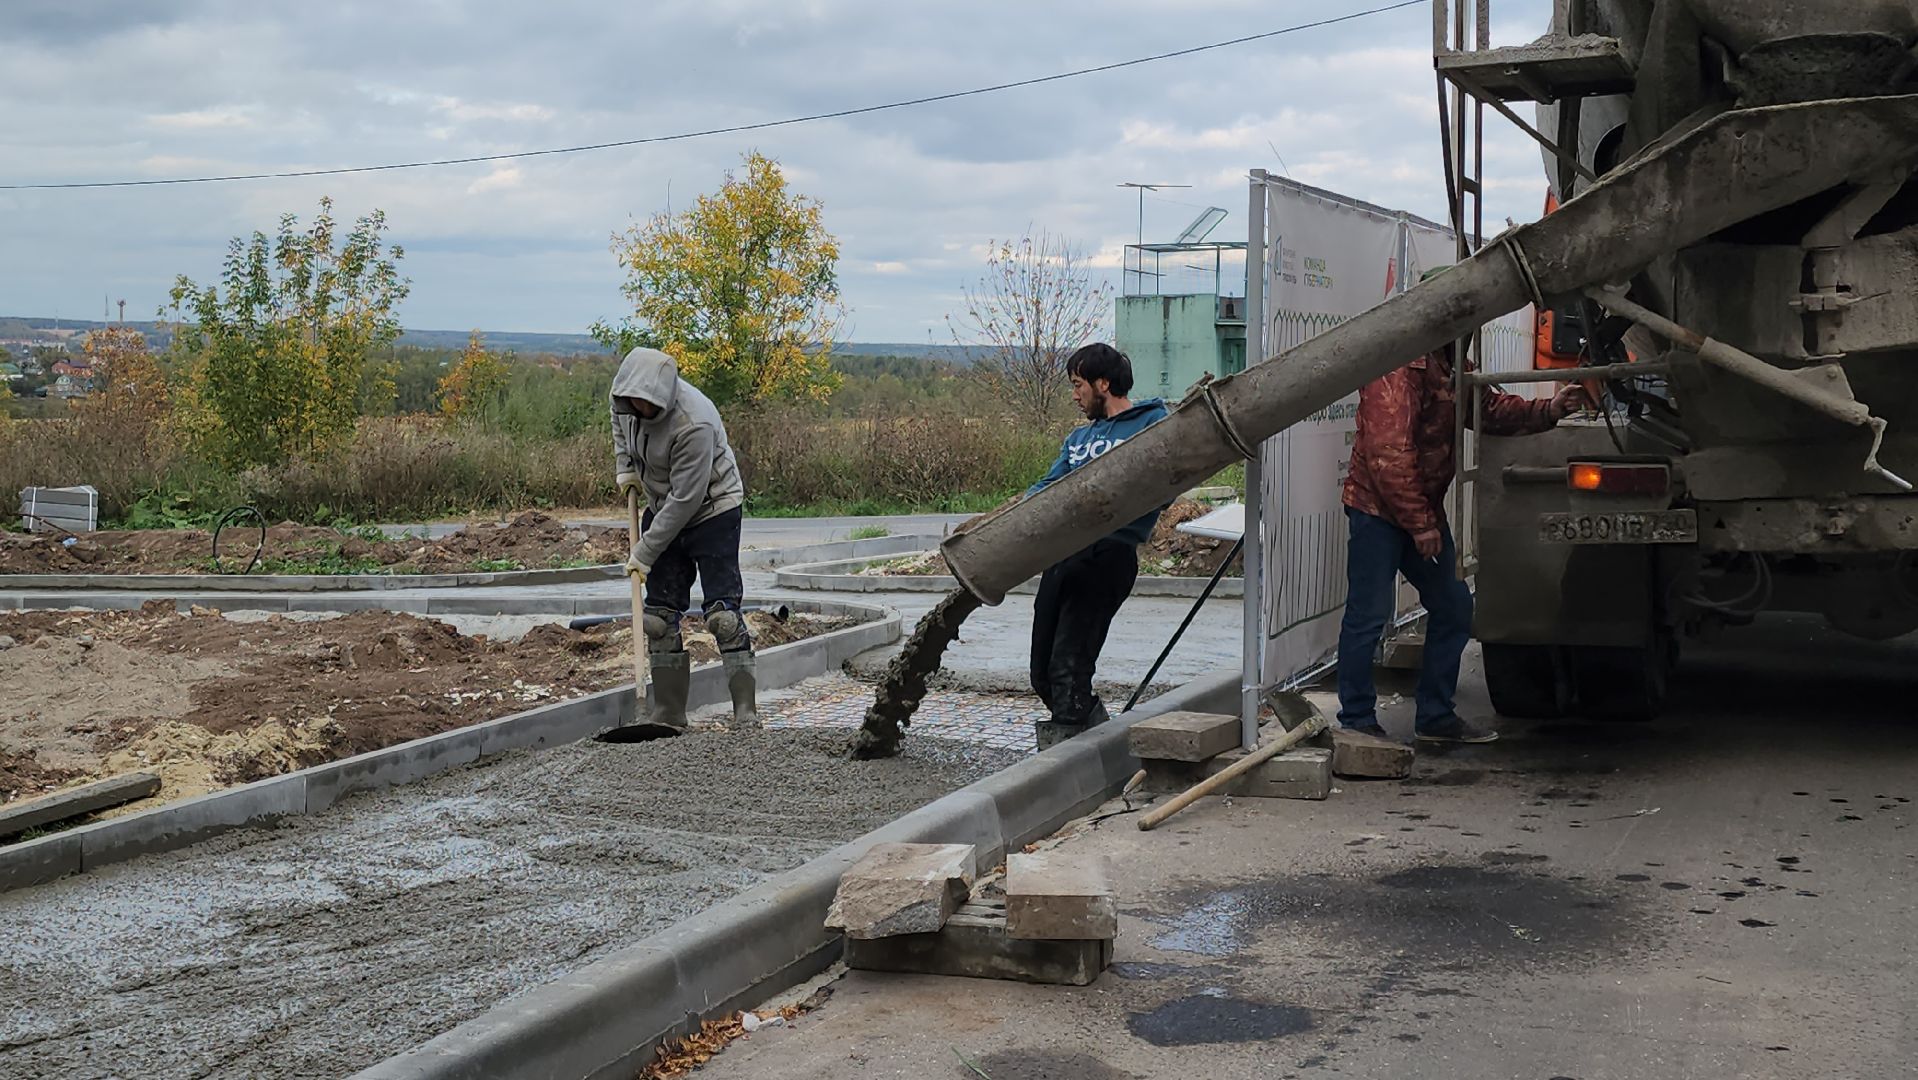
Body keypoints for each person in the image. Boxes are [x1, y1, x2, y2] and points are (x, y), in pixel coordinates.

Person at [1337, 268, 1590, 744]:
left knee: (1452, 607)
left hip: (1416, 509)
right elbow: (1388, 454)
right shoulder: (1401, 366)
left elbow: (1487, 410)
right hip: (1379, 511)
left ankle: (1434, 717)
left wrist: (1549, 410)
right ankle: (1356, 721)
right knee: (1367, 615)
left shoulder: (1449, 363)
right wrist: (1420, 524)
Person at [1025, 343, 1170, 748]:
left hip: (1109, 554)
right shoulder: (1078, 439)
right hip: (1065, 554)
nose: (1074, 395)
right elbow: (1047, 486)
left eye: (1078, 385)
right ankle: (1094, 731)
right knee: (1042, 673)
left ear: (1103, 383)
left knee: (1068, 667)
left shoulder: (1152, 423)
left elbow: (1167, 478)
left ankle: (1072, 757)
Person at [610, 345, 755, 732]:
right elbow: (618, 424)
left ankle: (745, 711)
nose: (637, 408)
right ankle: (669, 713)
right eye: (632, 402)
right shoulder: (624, 401)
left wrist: (645, 551)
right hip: (662, 503)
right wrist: (626, 466)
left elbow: (686, 500)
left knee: (722, 616)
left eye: (645, 404)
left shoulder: (695, 422)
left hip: (712, 509)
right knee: (657, 619)